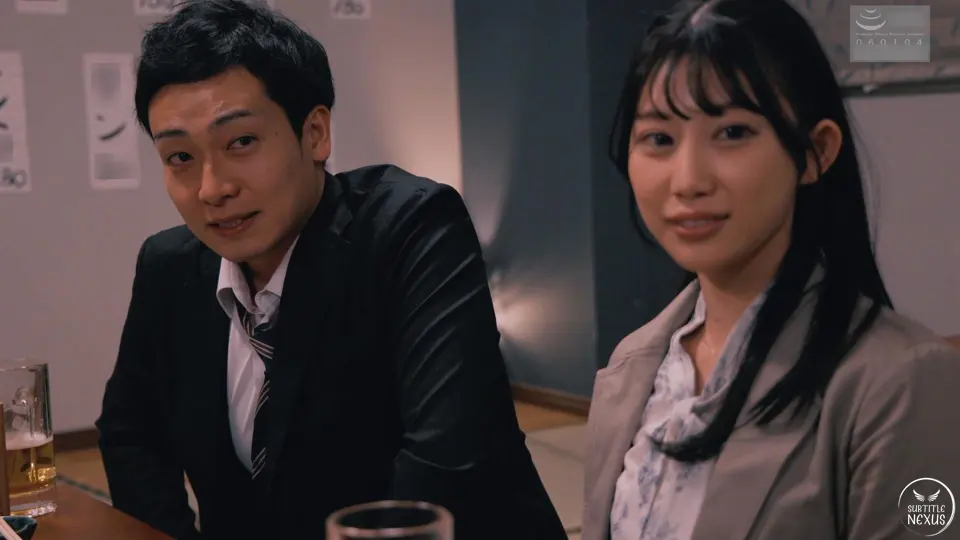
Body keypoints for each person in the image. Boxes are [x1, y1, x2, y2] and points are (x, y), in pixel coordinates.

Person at [95, 2, 567, 539]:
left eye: (241, 142)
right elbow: (131, 433)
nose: (212, 188)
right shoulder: (169, 266)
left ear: (316, 133)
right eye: (180, 157)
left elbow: (444, 459)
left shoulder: (410, 228)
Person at [582, 1, 960, 539]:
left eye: (733, 132)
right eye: (659, 139)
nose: (688, 181)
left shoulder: (900, 381)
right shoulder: (633, 366)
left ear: (814, 152)